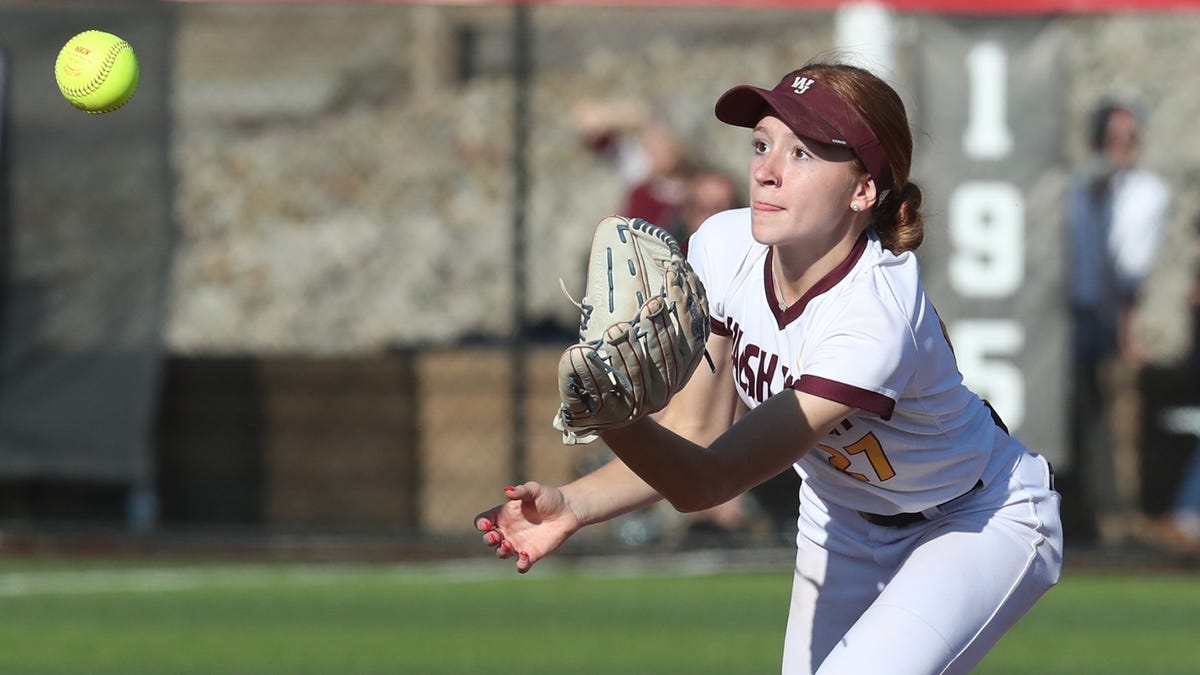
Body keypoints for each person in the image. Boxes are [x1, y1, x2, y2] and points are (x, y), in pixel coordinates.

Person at [476, 61, 1063, 673]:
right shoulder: (724, 246)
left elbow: (709, 481)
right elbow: (693, 437)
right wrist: (573, 504)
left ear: (865, 191)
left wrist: (613, 418)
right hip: (840, 515)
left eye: (803, 154)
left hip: (977, 518)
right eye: (761, 144)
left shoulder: (875, 316)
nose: (766, 171)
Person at [1065, 94, 1170, 546]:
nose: (1119, 147)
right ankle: (1076, 511)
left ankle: (1119, 520)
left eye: (1127, 138)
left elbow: (1130, 267)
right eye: (1112, 138)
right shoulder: (1075, 191)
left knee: (1117, 420)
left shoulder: (1147, 194)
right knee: (1071, 418)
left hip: (1110, 316)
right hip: (1071, 316)